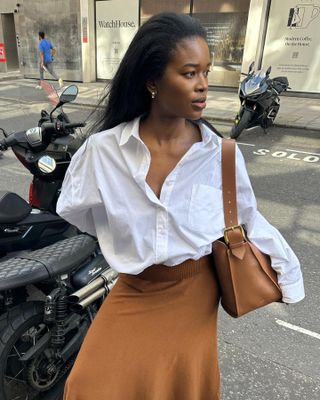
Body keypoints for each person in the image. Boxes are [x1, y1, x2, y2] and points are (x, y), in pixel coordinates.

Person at [57, 12, 305, 400]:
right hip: (135, 287)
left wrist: (288, 277)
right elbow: (80, 212)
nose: (203, 85)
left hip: (195, 292)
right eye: (189, 73)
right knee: (87, 386)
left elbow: (248, 220)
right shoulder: (103, 151)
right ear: (153, 81)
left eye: (206, 72)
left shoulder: (219, 155)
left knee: (178, 386)